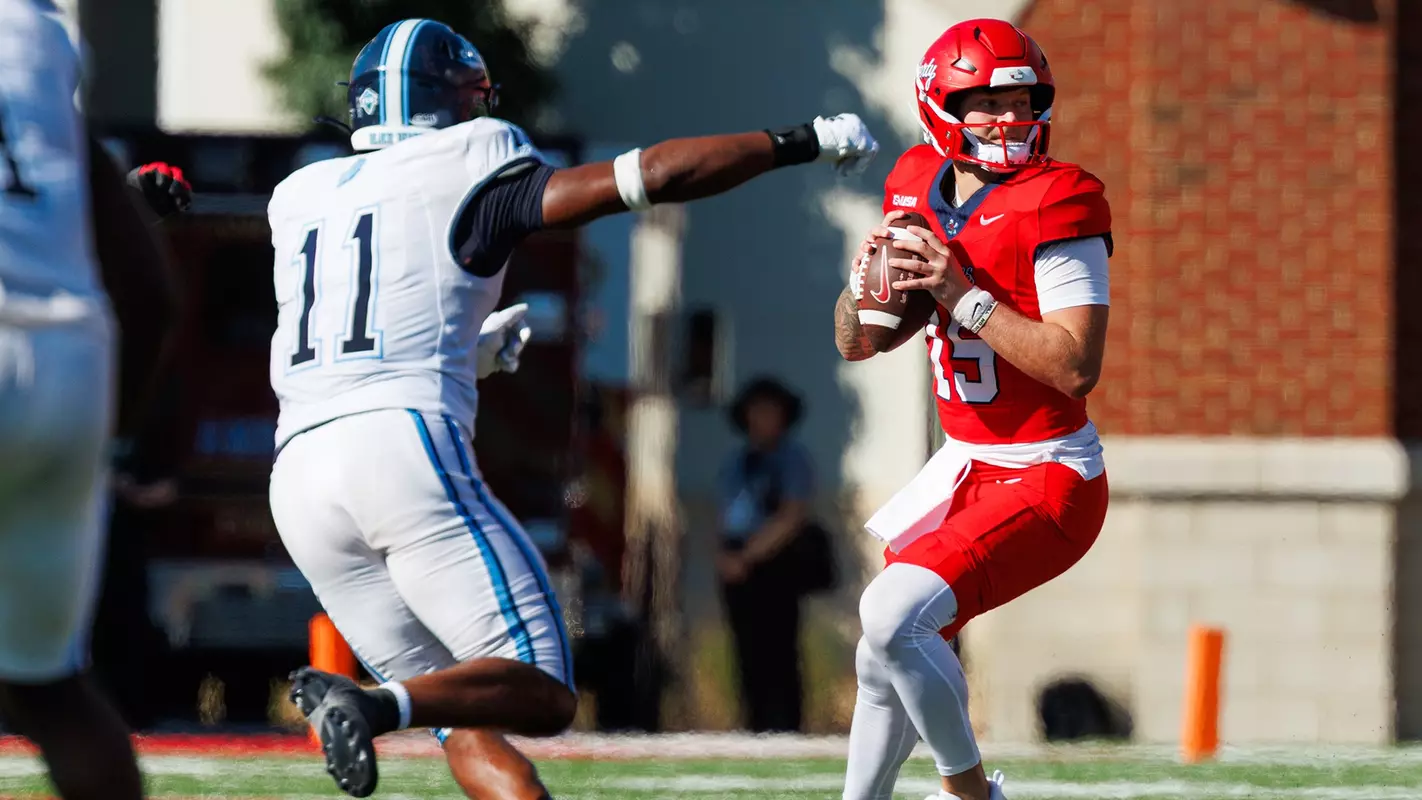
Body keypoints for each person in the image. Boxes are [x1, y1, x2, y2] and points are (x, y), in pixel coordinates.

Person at [269, 17, 880, 799]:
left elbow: (358, 333)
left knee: (465, 709)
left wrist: (469, 354)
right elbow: (649, 176)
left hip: (300, 478)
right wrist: (798, 140)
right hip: (399, 450)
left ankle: (383, 703)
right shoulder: (468, 160)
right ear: (455, 104)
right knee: (542, 687)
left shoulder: (302, 194)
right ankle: (371, 704)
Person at [833, 18, 1112, 800]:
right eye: (989, 102)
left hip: (1047, 472)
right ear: (941, 105)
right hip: (964, 465)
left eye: (1024, 102)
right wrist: (868, 289)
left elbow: (1075, 366)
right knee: (879, 648)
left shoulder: (1061, 201)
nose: (1012, 120)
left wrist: (961, 293)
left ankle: (971, 794)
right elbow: (858, 344)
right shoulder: (915, 179)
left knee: (893, 618)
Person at [0, 1, 180, 798]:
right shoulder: (30, 30)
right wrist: (104, 441)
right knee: (52, 690)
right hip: (67, 361)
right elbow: (150, 293)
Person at [716, 377, 816, 733]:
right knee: (746, 653)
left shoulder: (791, 459)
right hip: (737, 565)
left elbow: (791, 515)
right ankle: (753, 724)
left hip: (775, 565)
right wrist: (727, 557)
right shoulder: (737, 461)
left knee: (780, 652)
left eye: (771, 411)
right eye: (756, 411)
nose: (763, 418)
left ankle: (787, 726)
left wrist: (748, 556)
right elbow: (726, 513)